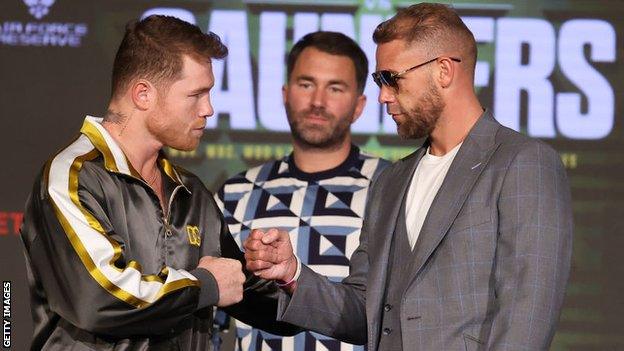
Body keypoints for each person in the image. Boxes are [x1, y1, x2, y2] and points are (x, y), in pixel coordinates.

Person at [244, 3, 574, 350]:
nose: (384, 96)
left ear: (444, 70)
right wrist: (292, 274)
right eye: (378, 81)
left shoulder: (522, 163)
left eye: (392, 78)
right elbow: (365, 313)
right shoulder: (392, 181)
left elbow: (526, 318)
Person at [20, 15, 296, 350]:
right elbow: (99, 298)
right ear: (143, 94)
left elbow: (243, 292)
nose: (209, 109)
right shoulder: (73, 176)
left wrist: (286, 278)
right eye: (197, 94)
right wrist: (204, 284)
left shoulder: (191, 192)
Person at [214, 31, 390, 351]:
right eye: (306, 84)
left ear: (360, 105)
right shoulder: (235, 194)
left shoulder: (393, 186)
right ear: (285, 92)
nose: (318, 102)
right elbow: (210, 314)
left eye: (335, 88)